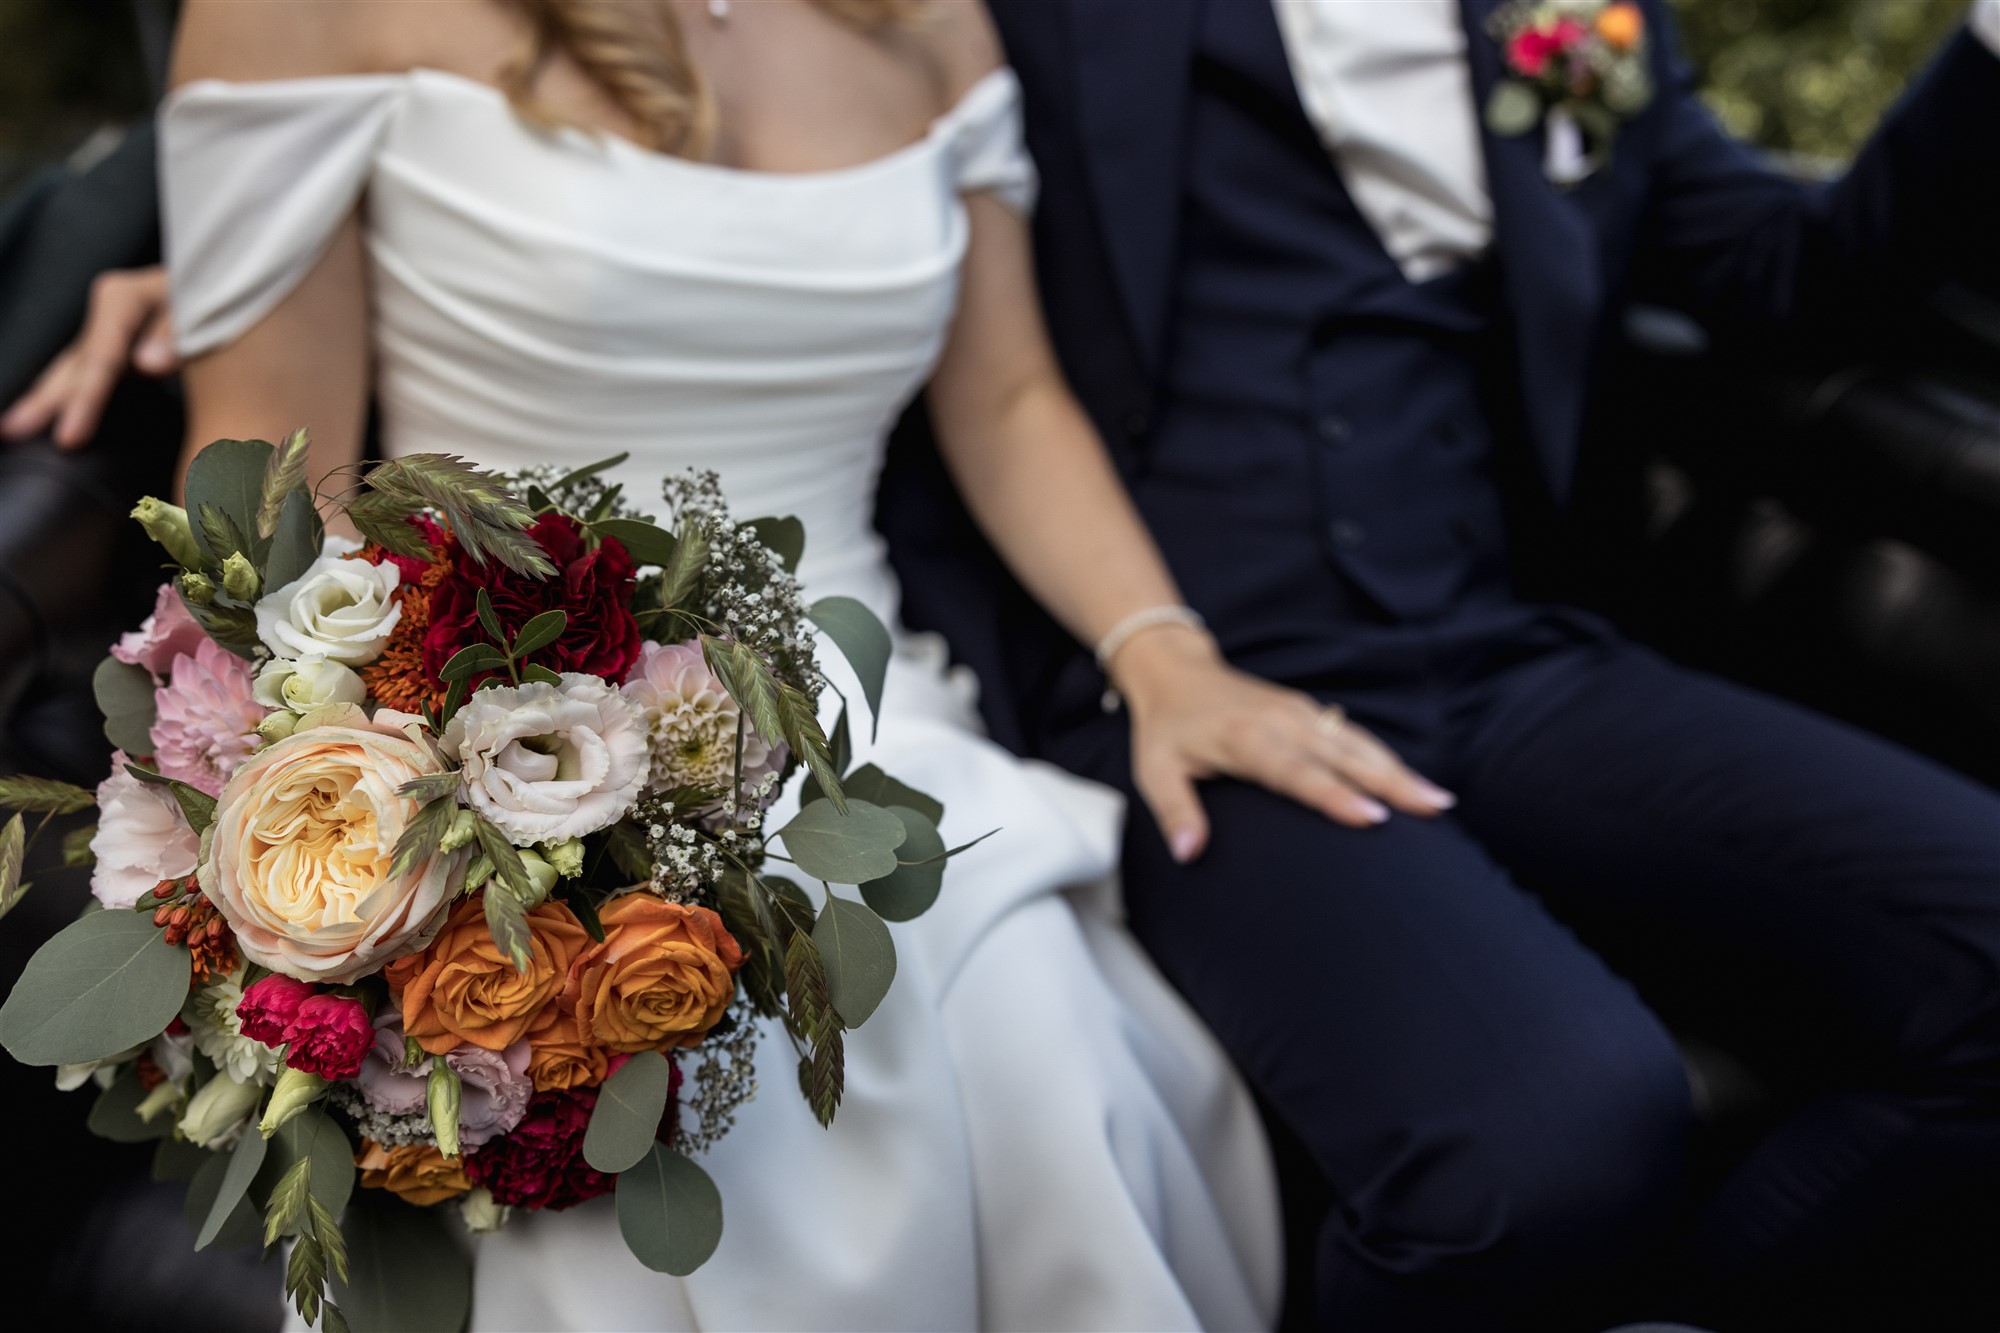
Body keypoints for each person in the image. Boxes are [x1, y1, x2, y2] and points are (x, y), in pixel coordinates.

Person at [21, 0, 1483, 1327]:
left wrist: (1166, 657)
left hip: (880, 732)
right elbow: (295, 496)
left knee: (1024, 1036)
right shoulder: (302, 16)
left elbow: (1015, 396)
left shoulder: (935, 25)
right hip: (511, 743)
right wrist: (413, 832)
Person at [870, 0, 2000, 1327]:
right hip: (1176, 690)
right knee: (1546, 1143)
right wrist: (1148, 659)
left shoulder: (1577, 20)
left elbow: (1791, 279)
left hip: (1502, 651)